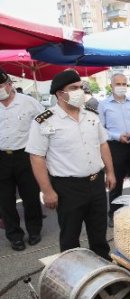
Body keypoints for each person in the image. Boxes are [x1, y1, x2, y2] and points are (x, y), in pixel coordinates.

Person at [26, 70, 116, 260]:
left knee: (99, 233)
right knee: (70, 236)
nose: (80, 91)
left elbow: (103, 144)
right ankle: (73, 272)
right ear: (60, 94)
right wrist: (47, 190)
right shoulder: (44, 120)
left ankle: (103, 269)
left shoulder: (91, 115)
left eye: (80, 87)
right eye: (73, 88)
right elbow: (37, 157)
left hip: (96, 182)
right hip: (68, 188)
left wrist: (111, 172)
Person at [0, 69, 43, 251]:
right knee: (5, 200)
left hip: (25, 155)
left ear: (9, 84)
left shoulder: (29, 103)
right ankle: (14, 235)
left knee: (30, 196)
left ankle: (34, 230)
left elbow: (44, 124)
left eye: (0, 86)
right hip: (2, 157)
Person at [98, 74, 130, 226]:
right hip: (115, 146)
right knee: (116, 182)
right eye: (118, 83)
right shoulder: (104, 105)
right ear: (111, 86)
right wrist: (117, 136)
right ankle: (114, 213)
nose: (121, 86)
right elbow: (100, 129)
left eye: (124, 84)